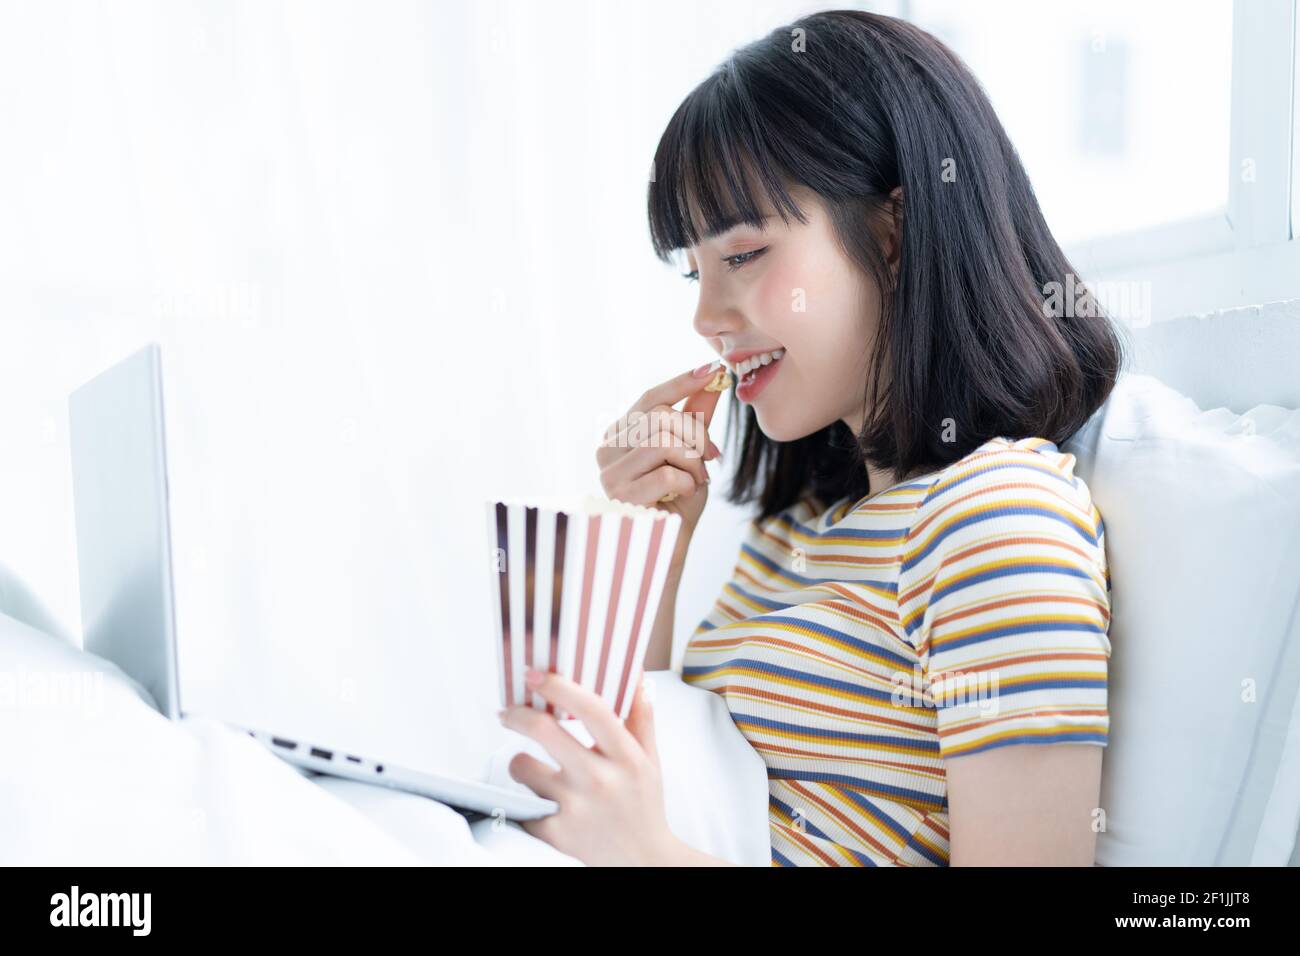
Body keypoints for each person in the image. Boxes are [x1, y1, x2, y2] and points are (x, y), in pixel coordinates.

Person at [501, 9, 1121, 866]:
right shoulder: (792, 537)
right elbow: (664, 775)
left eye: (745, 255)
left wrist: (646, 858)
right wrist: (657, 546)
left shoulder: (998, 523)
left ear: (893, 234)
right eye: (694, 270)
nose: (706, 317)